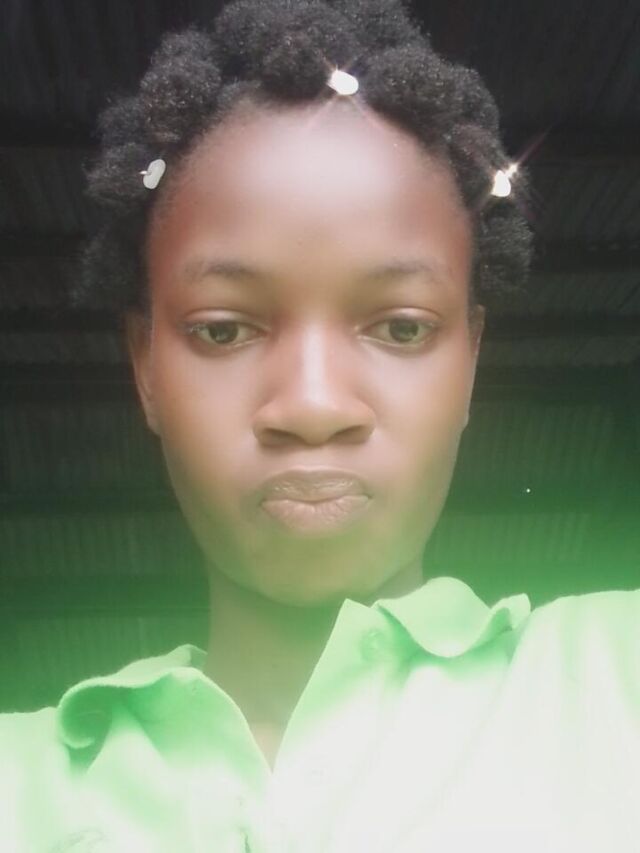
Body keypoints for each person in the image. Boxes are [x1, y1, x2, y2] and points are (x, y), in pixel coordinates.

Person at [2, 1, 638, 851]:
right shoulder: (20, 784)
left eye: (401, 327)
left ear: (471, 359)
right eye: (222, 330)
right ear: (145, 366)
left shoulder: (615, 675)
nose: (312, 405)